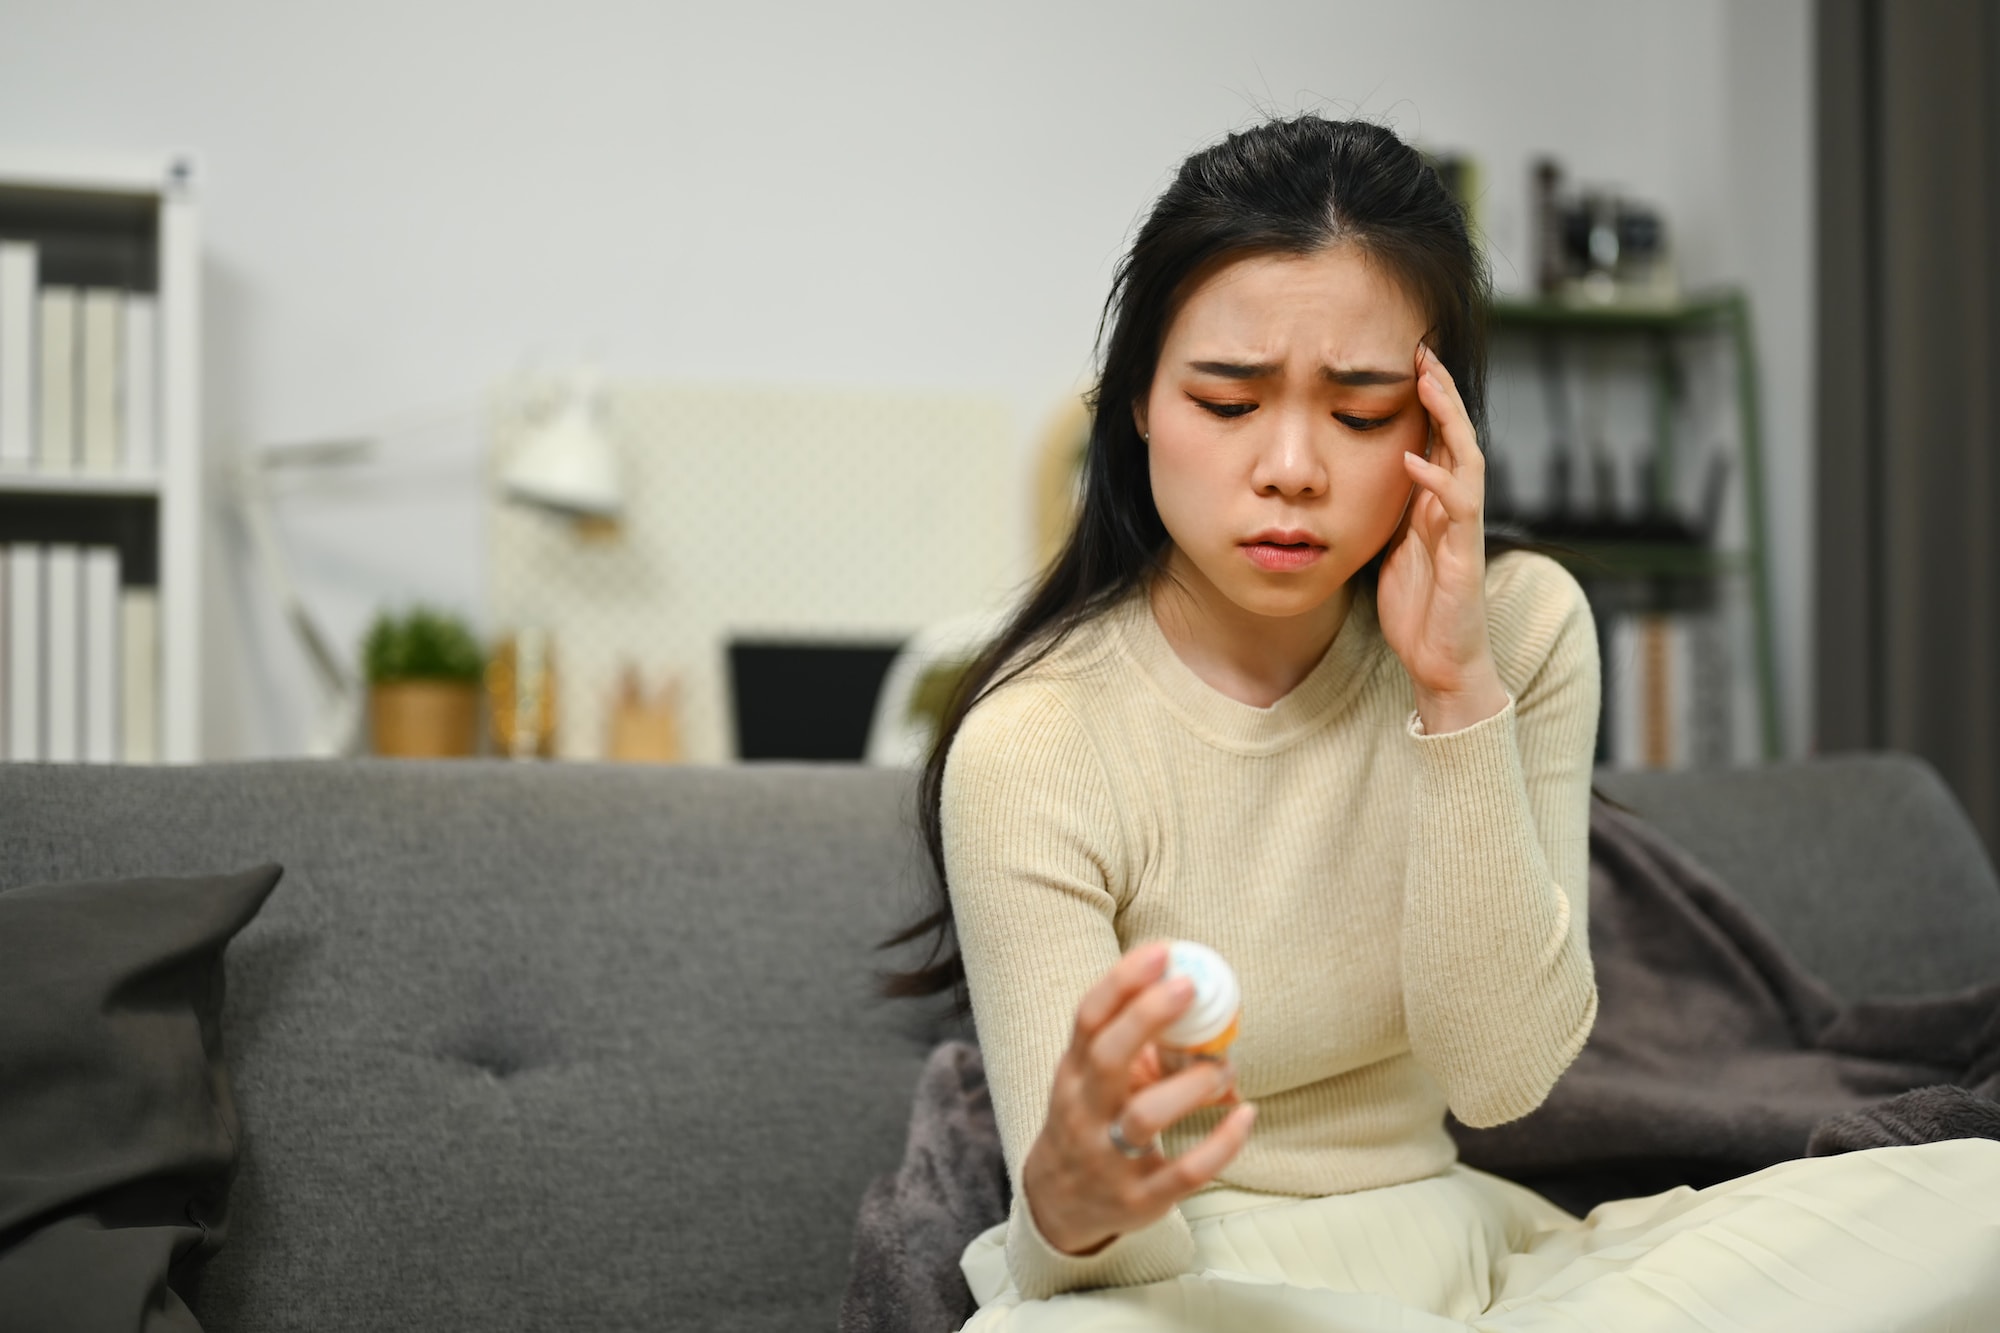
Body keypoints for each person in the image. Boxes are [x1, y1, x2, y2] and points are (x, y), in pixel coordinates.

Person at [882, 114, 2000, 1331]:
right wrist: (1068, 1195)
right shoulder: (1035, 742)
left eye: (1360, 413)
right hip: (1185, 1288)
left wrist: (1455, 690)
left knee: (1973, 1199)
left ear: (1434, 427)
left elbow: (1501, 1078)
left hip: (1483, 1260)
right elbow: (1102, 1261)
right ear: (1139, 402)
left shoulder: (1519, 629)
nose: (1293, 465)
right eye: (1227, 400)